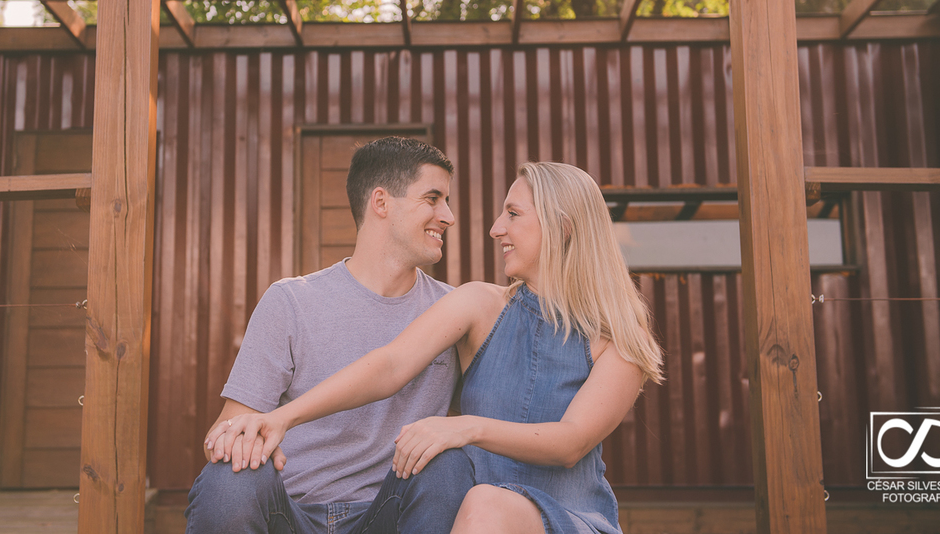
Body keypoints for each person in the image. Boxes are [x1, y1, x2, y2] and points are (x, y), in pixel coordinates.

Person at [211, 162, 664, 534]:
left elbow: (571, 442)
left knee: (483, 503)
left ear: (562, 228)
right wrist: (281, 417)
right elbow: (390, 364)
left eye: (513, 214)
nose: (494, 228)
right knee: (478, 501)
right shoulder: (479, 305)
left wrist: (465, 428)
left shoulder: (620, 338)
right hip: (476, 512)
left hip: (569, 516)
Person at [185, 136, 474, 534]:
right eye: (433, 198)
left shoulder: (454, 312)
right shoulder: (290, 301)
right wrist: (237, 440)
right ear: (381, 202)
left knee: (450, 464)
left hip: (391, 513)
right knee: (229, 478)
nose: (448, 215)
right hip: (291, 516)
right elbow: (228, 431)